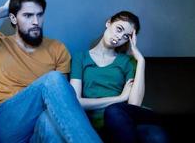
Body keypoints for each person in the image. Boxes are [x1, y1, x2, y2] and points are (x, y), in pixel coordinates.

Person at [0, 0, 102, 143]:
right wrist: (4, 10)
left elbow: (61, 102)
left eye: (39, 15)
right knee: (53, 79)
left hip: (37, 128)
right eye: (28, 15)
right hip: (3, 124)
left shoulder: (57, 48)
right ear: (13, 18)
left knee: (51, 125)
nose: (36, 22)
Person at [70, 11, 169, 143]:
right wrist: (120, 98)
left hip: (125, 119)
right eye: (119, 29)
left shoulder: (127, 62)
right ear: (108, 23)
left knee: (156, 135)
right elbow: (76, 102)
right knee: (113, 110)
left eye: (125, 36)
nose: (119, 37)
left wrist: (140, 60)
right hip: (100, 124)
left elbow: (134, 105)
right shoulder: (80, 58)